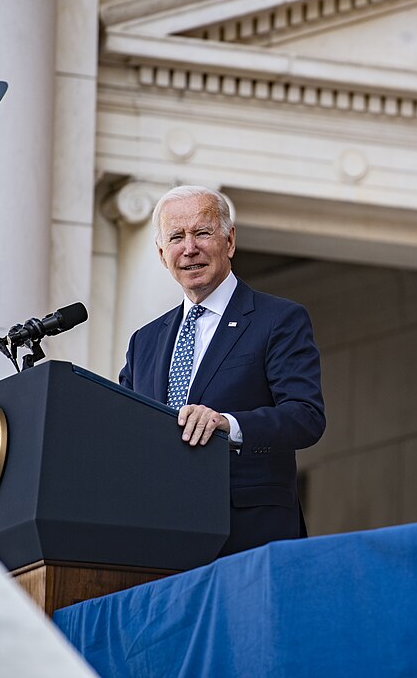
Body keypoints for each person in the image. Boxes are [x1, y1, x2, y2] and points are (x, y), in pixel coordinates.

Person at [118, 185, 325, 556]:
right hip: (158, 538)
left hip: (248, 537)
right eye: (176, 237)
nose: (189, 248)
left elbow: (305, 417)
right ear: (162, 254)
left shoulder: (278, 319)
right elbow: (125, 431)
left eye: (202, 232)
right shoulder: (144, 342)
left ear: (229, 241)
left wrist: (227, 424)